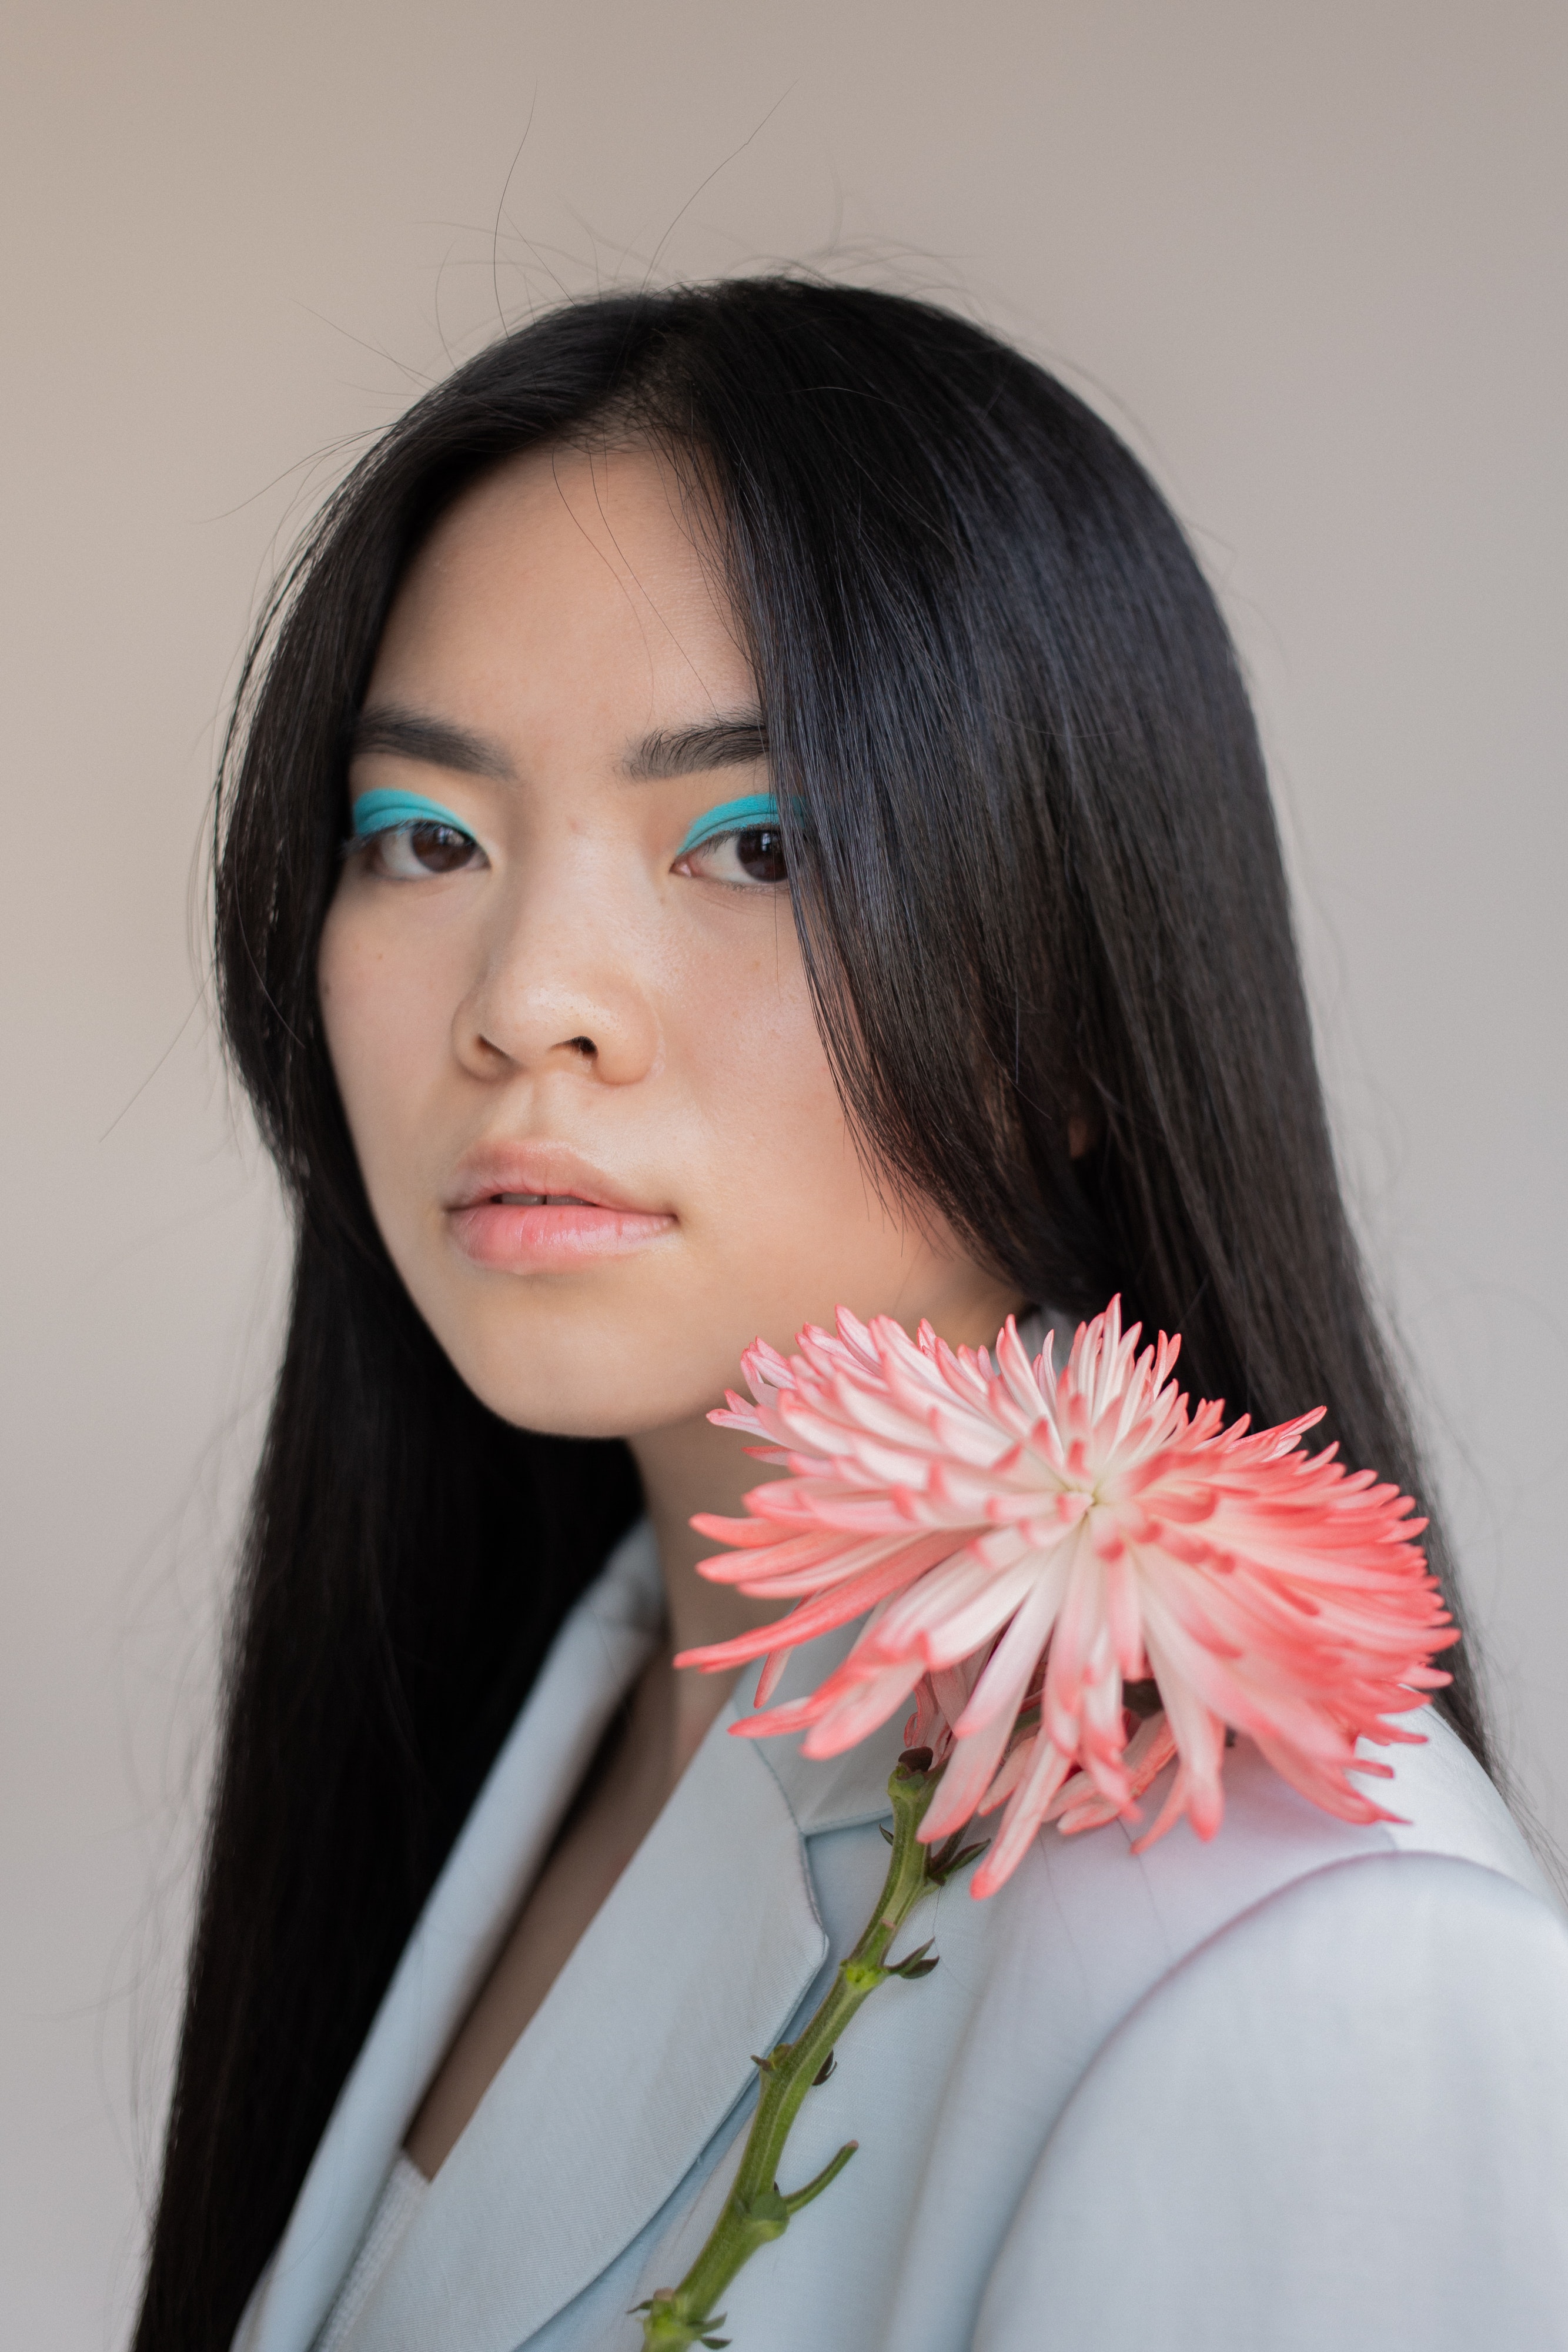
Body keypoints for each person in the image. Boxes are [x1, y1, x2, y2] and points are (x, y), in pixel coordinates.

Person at [134, 279, 1568, 2352]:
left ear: (1077, 984)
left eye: (760, 841)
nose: (528, 995)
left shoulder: (1323, 1969)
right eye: (422, 835)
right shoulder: (562, 1687)